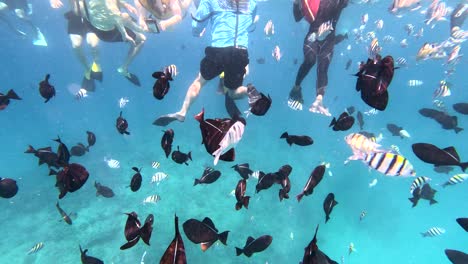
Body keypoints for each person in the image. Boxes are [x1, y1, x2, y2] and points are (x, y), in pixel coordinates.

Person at [154, 0, 265, 126]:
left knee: (199, 82)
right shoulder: (252, 3)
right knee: (233, 92)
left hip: (219, 51)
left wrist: (196, 33)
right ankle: (249, 91)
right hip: (240, 52)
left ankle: (182, 112)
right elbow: (250, 26)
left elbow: (197, 25)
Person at [50, 0, 146, 88]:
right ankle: (88, 69)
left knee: (93, 44)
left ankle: (98, 65)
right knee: (76, 45)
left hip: (92, 16)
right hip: (79, 15)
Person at [288, 0, 348, 116]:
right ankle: (296, 87)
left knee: (323, 67)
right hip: (313, 36)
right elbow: (297, 17)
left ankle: (319, 99)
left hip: (329, 40)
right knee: (310, 60)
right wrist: (296, 3)